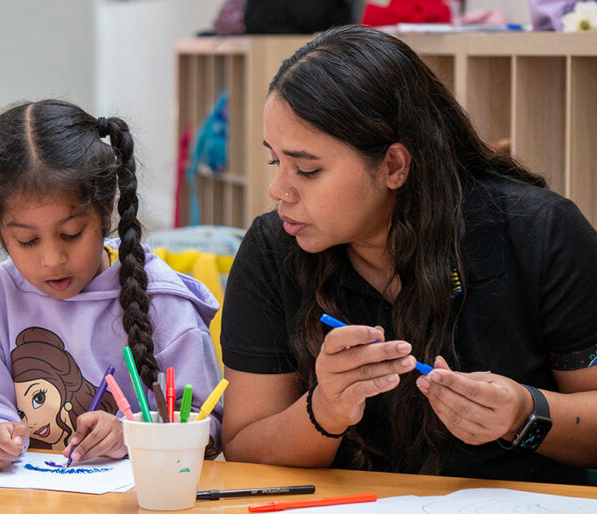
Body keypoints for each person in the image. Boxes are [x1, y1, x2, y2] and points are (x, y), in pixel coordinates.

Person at [220, 25, 597, 484]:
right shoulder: (273, 248)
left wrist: (526, 413)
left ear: (395, 165)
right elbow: (242, 445)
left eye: (307, 169)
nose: (278, 190)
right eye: (275, 161)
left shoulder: (539, 232)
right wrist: (323, 411)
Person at [0, 99, 222, 473]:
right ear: (0, 231)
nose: (52, 259)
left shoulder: (164, 300)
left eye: (71, 233)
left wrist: (132, 432)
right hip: (24, 507)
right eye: (28, 241)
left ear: (107, 208)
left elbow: (206, 418)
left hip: (133, 513)